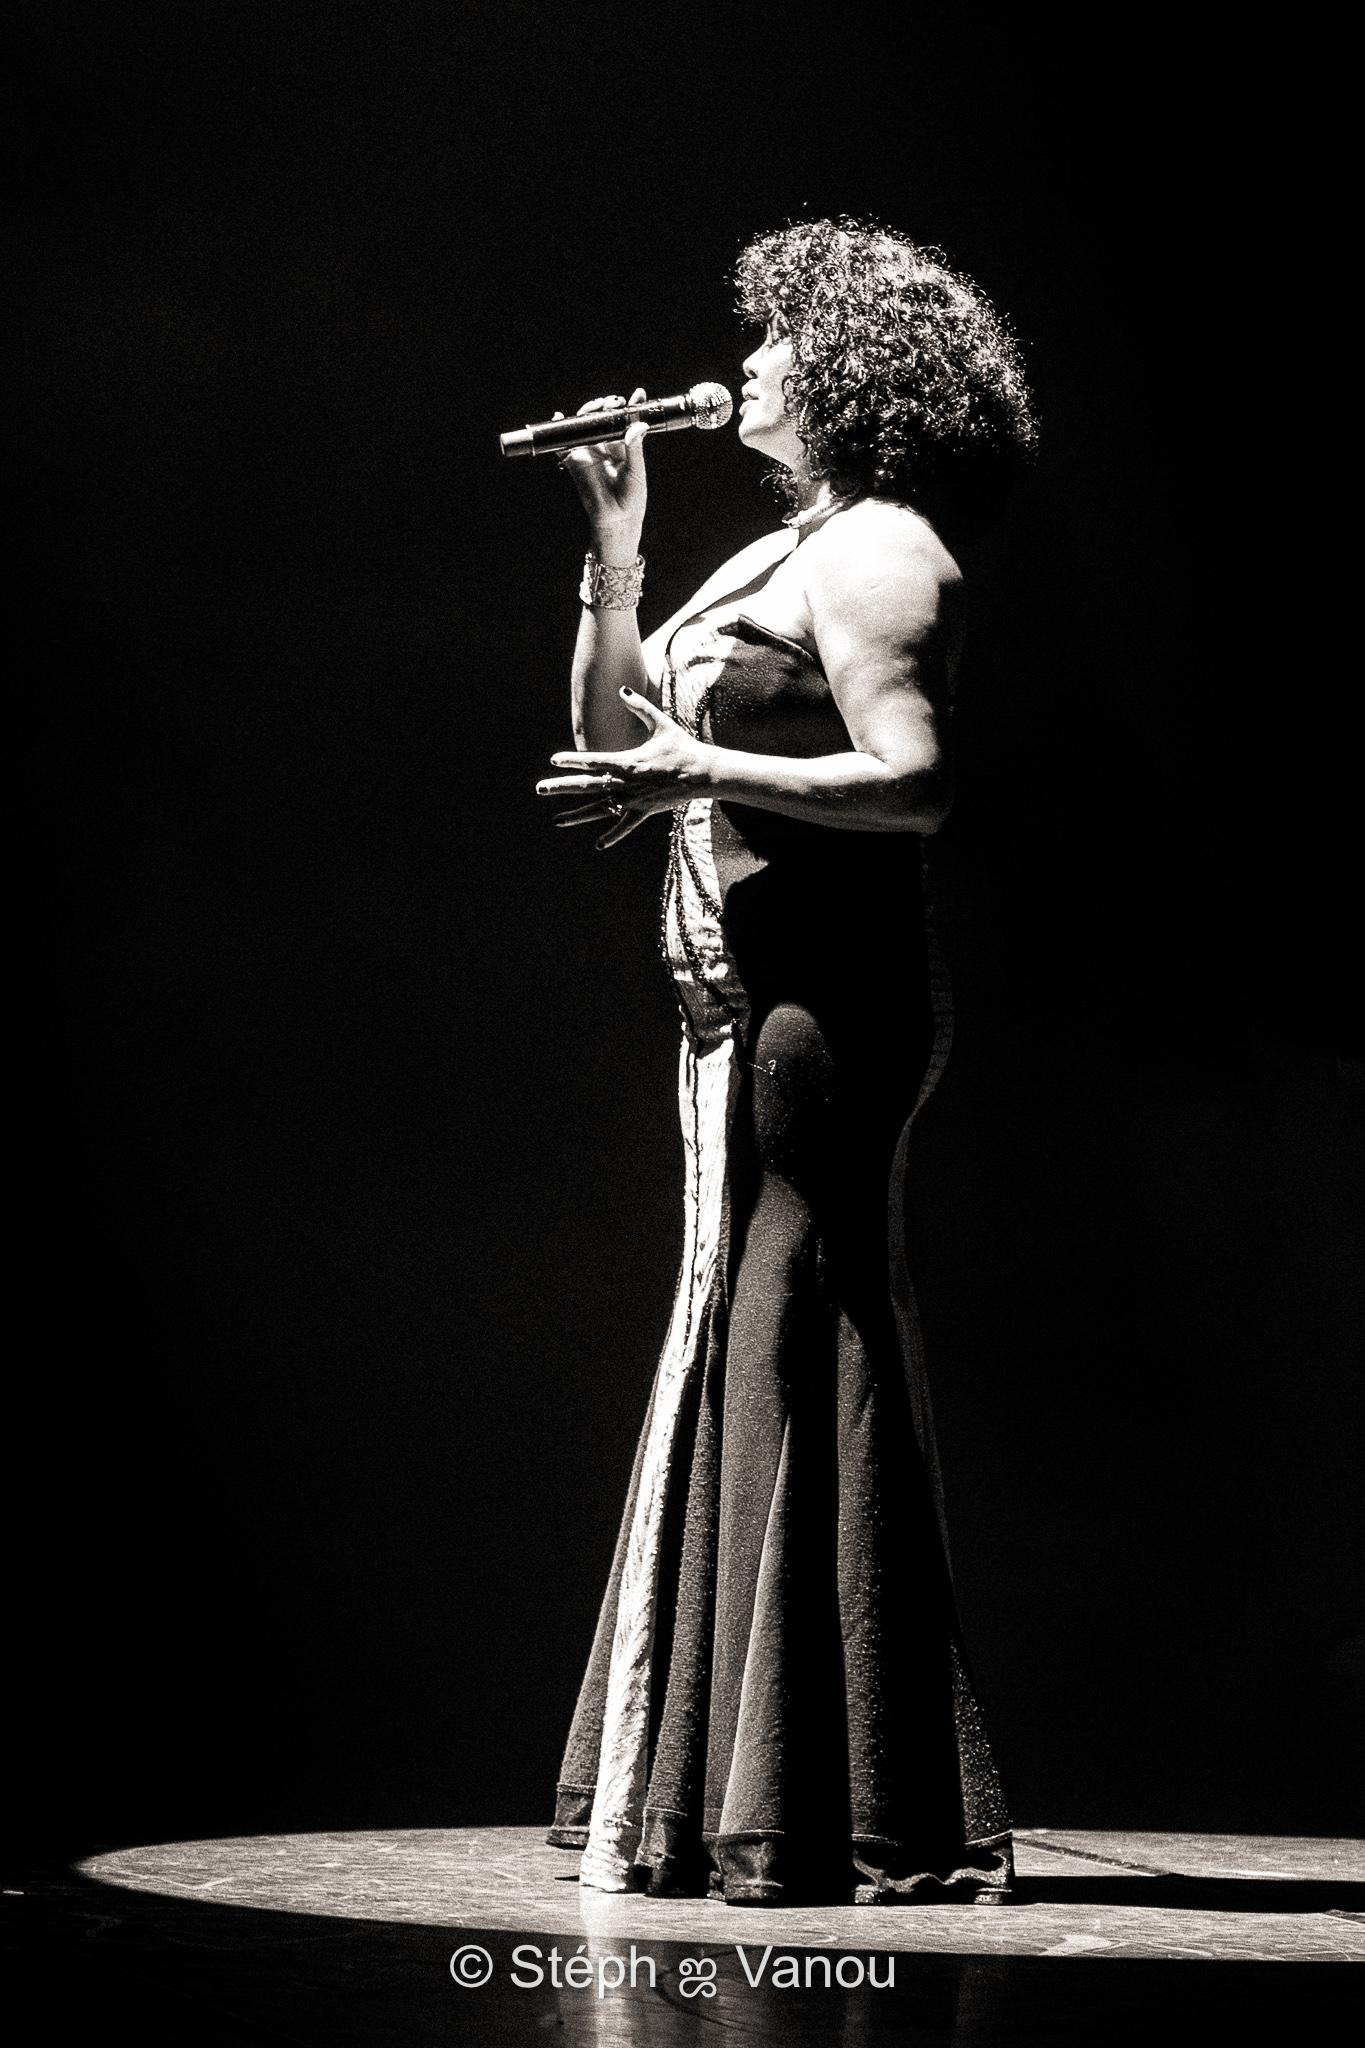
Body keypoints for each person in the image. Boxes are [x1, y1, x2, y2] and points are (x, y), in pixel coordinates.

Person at [534, 218, 1037, 1907]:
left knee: (794, 1337)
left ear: (851, 375)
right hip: (728, 1002)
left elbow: (916, 782)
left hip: (829, 1001)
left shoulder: (883, 549)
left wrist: (699, 771)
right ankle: (716, 1783)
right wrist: (616, 559)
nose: (743, 363)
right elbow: (611, 740)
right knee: (730, 1337)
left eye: (775, 341)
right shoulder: (775, 550)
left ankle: (840, 1800)